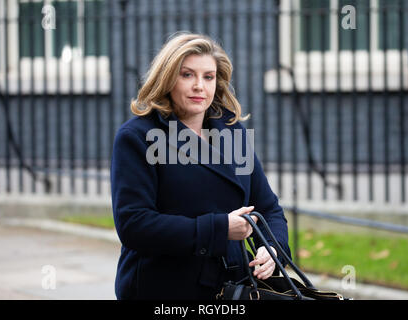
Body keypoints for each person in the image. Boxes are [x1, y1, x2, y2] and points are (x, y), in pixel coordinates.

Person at [110, 32, 291, 300]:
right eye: (187, 75)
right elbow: (134, 225)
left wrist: (274, 249)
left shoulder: (231, 132)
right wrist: (220, 229)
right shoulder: (138, 137)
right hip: (165, 288)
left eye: (208, 77)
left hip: (233, 287)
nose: (199, 86)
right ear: (168, 78)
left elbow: (268, 208)